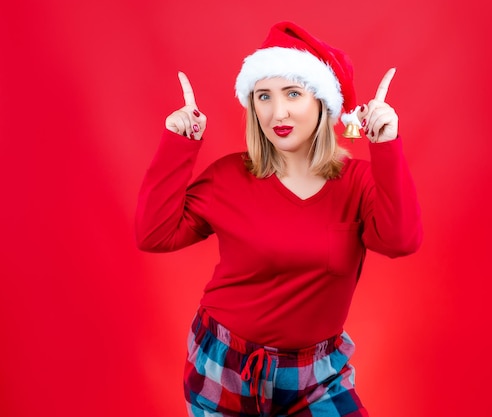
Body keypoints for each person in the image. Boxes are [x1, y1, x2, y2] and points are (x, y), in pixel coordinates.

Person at [136, 21, 422, 417]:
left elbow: (400, 240)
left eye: (292, 93)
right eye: (263, 96)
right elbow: (154, 234)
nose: (277, 112)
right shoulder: (228, 176)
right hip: (225, 365)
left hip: (316, 375)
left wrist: (386, 146)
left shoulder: (356, 183)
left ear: (321, 102)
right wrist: (178, 143)